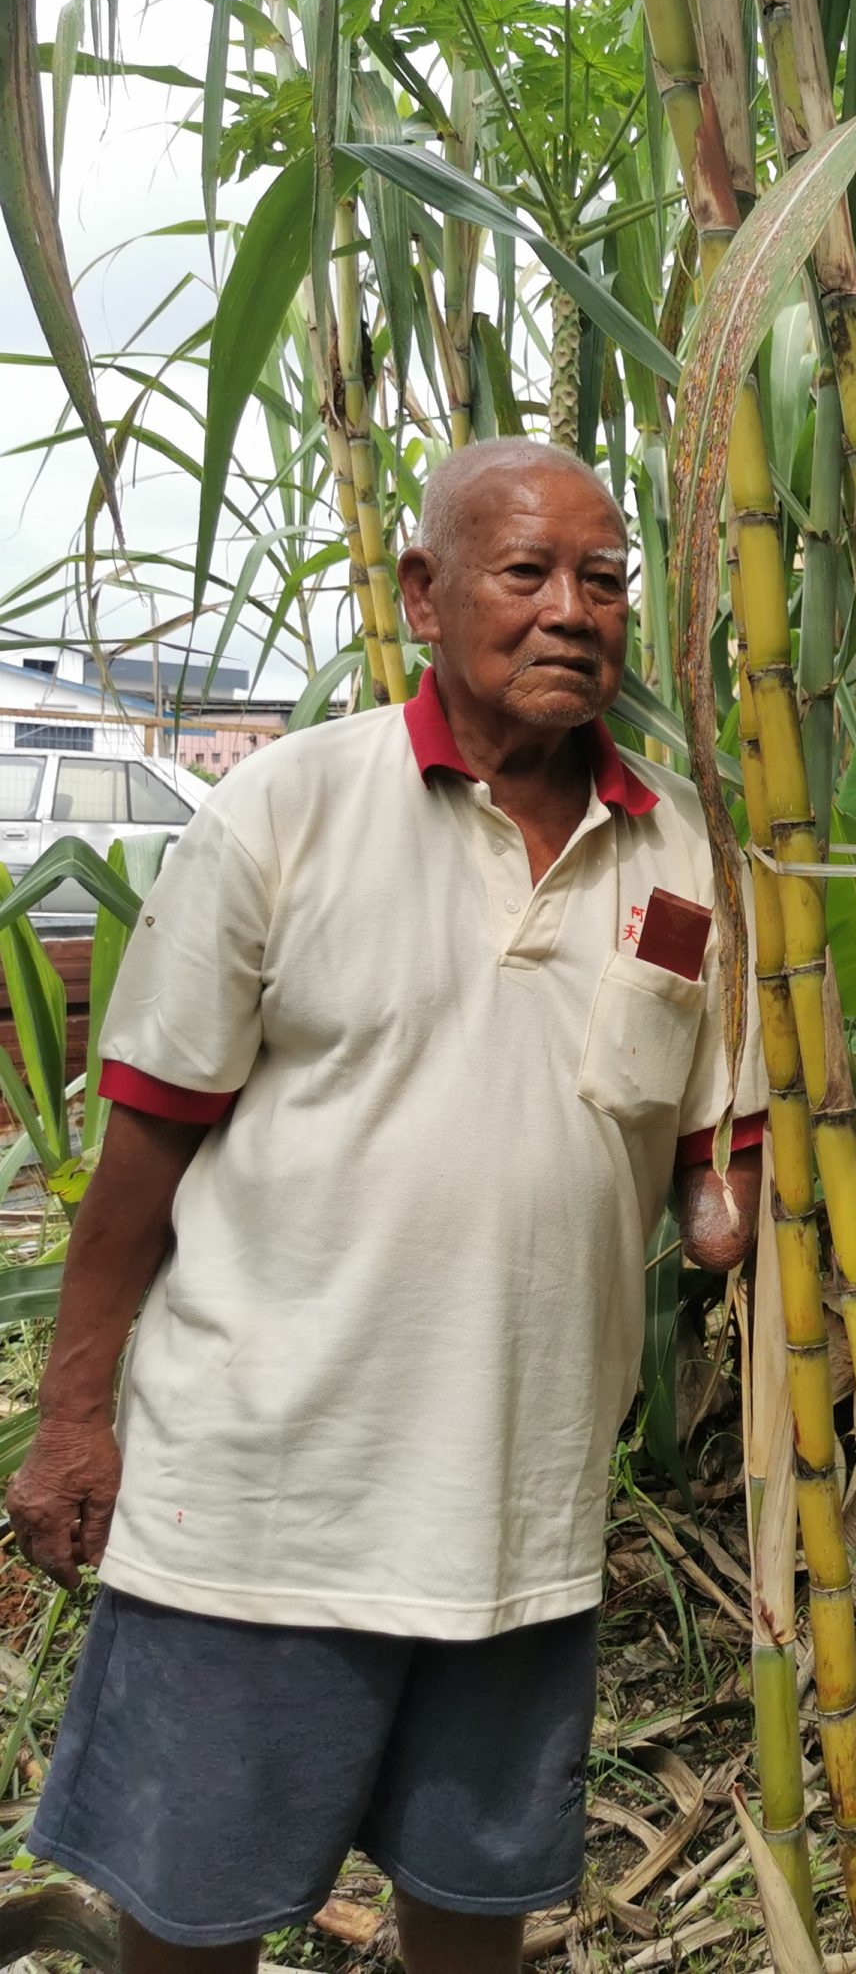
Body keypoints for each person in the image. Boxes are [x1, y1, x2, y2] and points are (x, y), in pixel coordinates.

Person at [5, 438, 764, 1974]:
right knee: (194, 1923)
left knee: (475, 1924)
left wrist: (750, 1205)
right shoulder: (287, 811)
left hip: (522, 1514)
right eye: (527, 572)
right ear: (424, 592)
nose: (574, 610)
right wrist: (74, 1414)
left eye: (605, 578)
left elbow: (714, 1178)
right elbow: (138, 1159)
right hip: (263, 1503)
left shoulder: (684, 844)